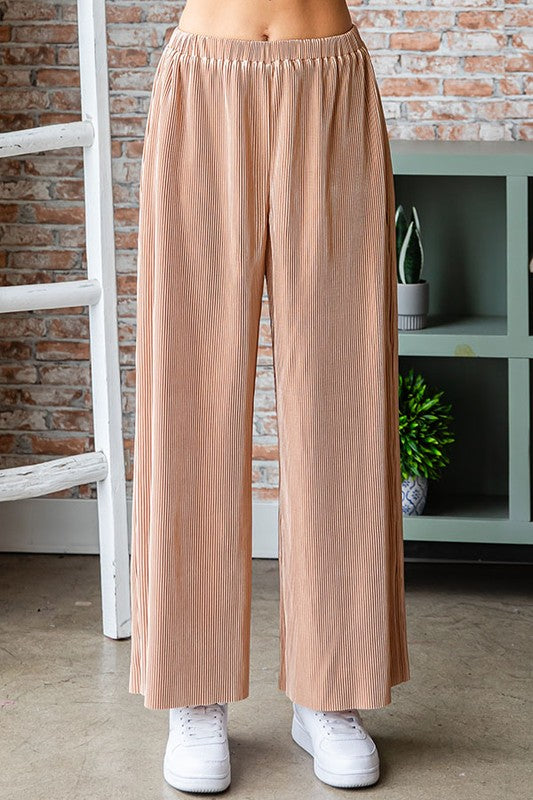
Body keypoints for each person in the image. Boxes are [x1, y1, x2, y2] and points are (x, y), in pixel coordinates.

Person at [128, 0, 411, 792]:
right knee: (189, 395)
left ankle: (330, 690)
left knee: (341, 399)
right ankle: (192, 692)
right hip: (205, 80)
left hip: (327, 81)